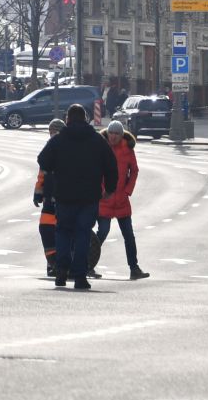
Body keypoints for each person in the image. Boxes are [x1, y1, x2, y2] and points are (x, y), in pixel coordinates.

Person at [38, 104, 117, 291]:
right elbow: (111, 166)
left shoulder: (59, 140)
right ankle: (80, 276)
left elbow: (43, 161)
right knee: (82, 235)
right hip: (89, 197)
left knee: (63, 232)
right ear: (85, 119)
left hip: (64, 195)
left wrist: (55, 174)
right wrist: (110, 189)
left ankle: (61, 271)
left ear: (67, 119)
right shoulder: (97, 140)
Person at [94, 120, 148, 281]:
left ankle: (134, 268)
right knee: (102, 233)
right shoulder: (101, 147)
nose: (113, 136)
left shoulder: (127, 148)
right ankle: (87, 264)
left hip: (122, 200)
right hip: (104, 199)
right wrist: (101, 190)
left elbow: (134, 171)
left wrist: (127, 190)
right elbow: (95, 170)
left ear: (121, 135)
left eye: (117, 133)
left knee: (129, 236)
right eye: (111, 133)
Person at [35, 118, 63, 277]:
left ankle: (59, 263)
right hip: (48, 197)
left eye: (55, 132)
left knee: (59, 232)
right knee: (47, 230)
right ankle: (51, 264)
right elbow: (42, 174)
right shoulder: (48, 148)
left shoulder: (64, 147)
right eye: (51, 132)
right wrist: (38, 193)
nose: (52, 134)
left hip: (62, 197)